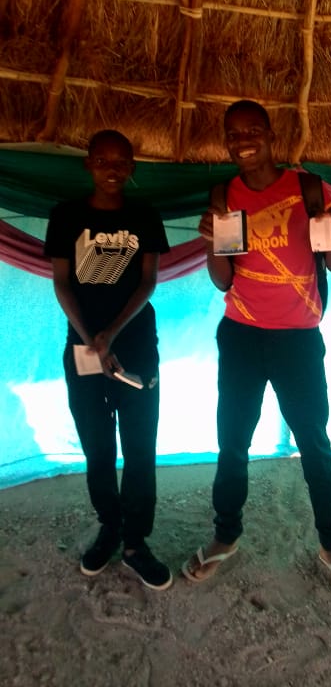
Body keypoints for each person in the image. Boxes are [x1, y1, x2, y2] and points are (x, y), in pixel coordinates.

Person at [181, 99, 331, 597]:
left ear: (270, 135)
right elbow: (223, 281)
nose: (244, 140)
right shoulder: (224, 195)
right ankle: (225, 535)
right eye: (234, 133)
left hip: (298, 339)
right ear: (226, 141)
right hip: (241, 335)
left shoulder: (306, 188)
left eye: (253, 130)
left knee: (314, 443)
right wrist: (211, 241)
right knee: (232, 442)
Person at [44, 129, 172, 591]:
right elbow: (62, 283)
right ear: (89, 164)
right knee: (97, 447)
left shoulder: (144, 215)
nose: (112, 169)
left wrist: (110, 335)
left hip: (135, 347)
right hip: (83, 348)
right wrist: (92, 340)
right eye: (103, 160)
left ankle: (136, 543)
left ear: (132, 168)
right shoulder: (66, 216)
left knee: (139, 447)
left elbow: (147, 282)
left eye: (121, 162)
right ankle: (110, 527)